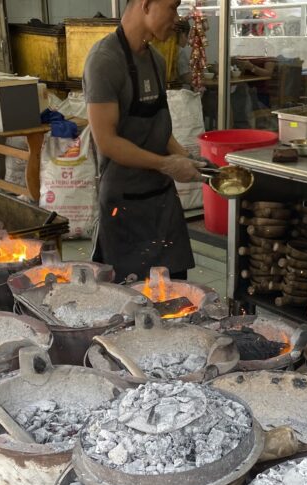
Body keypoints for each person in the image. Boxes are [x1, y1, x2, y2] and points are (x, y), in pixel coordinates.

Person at [83, 0, 205, 280]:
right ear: (146, 5)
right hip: (123, 203)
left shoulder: (157, 61)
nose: (176, 18)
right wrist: (166, 165)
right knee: (130, 303)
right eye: (172, 7)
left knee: (175, 294)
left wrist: (187, 158)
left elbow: (157, 130)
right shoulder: (104, 61)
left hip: (161, 200)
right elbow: (108, 142)